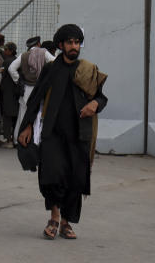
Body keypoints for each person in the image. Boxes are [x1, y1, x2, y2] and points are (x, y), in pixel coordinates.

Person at [18, 24, 108, 241]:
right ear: (61, 45)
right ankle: (54, 218)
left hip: (79, 135)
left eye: (77, 42)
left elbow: (101, 97)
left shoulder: (87, 70)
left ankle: (67, 222)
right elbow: (35, 98)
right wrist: (28, 125)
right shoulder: (51, 69)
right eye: (69, 42)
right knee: (53, 177)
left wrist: (95, 104)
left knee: (75, 179)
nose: (74, 46)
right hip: (53, 134)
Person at [9, 36, 56, 142]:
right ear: (39, 44)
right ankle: (35, 139)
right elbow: (55, 62)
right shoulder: (44, 53)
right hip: (39, 89)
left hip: (26, 89)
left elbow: (11, 68)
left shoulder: (23, 55)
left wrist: (18, 80)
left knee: (23, 113)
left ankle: (18, 139)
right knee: (38, 113)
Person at [0, 42, 19, 145]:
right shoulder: (17, 60)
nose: (5, 52)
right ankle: (15, 138)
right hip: (16, 92)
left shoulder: (6, 62)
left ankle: (8, 138)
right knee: (16, 116)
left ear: (10, 51)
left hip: (7, 92)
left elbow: (2, 76)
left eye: (6, 50)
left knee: (7, 116)